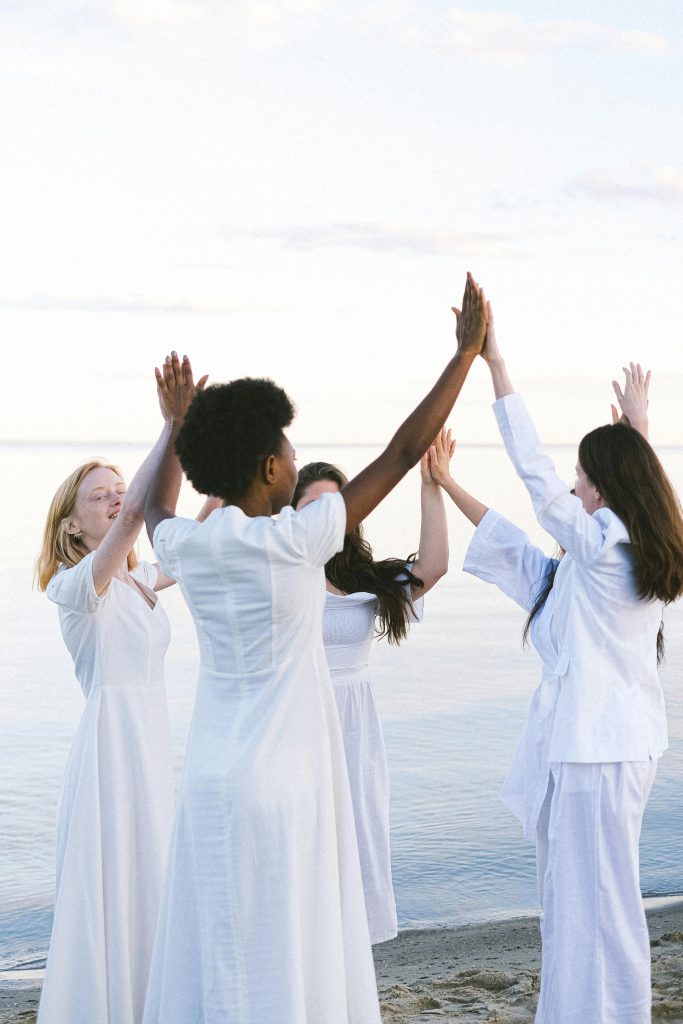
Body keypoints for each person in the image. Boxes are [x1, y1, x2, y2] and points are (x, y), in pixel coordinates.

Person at [141, 274, 487, 1024]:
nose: (298, 467)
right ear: (268, 470)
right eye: (290, 458)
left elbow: (154, 508)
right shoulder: (296, 540)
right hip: (285, 782)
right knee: (287, 954)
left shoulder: (191, 548)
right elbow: (401, 454)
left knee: (223, 947)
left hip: (208, 779)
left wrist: (175, 426)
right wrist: (463, 357)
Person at [428, 304, 683, 1024]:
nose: (568, 490)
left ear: (599, 494)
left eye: (579, 481)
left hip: (599, 752)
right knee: (580, 899)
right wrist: (447, 485)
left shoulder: (606, 549)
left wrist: (495, 365)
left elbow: (534, 478)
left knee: (597, 902)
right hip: (599, 748)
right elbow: (516, 548)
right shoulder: (601, 560)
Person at [35, 356, 213, 1024]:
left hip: (149, 749)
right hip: (109, 759)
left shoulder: (140, 584)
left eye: (116, 487)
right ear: (73, 526)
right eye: (98, 495)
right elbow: (141, 510)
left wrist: (198, 433)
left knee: (154, 887)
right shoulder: (73, 589)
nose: (114, 498)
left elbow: (186, 516)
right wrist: (171, 426)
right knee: (113, 889)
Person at [291, 437, 452, 944]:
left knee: (356, 834)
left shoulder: (362, 578)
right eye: (310, 506)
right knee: (304, 839)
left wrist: (432, 486)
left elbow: (432, 567)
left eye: (334, 507)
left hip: (356, 726)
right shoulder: (280, 573)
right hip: (300, 717)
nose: (323, 518)